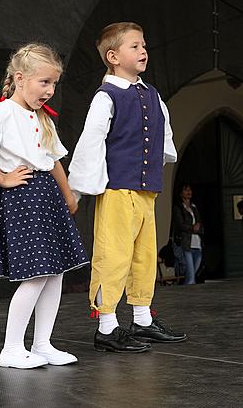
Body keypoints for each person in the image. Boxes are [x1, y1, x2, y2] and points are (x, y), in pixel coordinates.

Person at [0, 43, 89, 369]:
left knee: (56, 272)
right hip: (24, 197)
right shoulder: (1, 112)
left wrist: (68, 195)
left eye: (53, 84)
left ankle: (43, 343)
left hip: (47, 196)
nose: (49, 90)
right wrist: (3, 178)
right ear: (20, 78)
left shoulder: (42, 118)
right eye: (43, 82)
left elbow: (55, 160)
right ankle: (11, 348)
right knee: (35, 274)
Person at [68, 22, 187, 353]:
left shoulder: (151, 94)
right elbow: (90, 142)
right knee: (113, 255)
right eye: (134, 46)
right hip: (118, 189)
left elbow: (162, 135)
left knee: (144, 257)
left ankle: (142, 320)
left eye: (144, 45)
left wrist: (155, 165)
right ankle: (106, 326)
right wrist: (76, 190)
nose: (143, 50)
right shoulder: (107, 96)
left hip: (146, 190)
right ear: (113, 56)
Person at [172, 183, 203, 285]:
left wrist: (198, 228)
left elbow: (199, 222)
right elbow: (180, 224)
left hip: (197, 242)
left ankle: (187, 290)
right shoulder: (179, 208)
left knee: (193, 271)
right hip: (186, 243)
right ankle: (190, 296)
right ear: (181, 193)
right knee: (190, 276)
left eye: (190, 190)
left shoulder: (194, 207)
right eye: (186, 190)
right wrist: (192, 228)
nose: (189, 192)